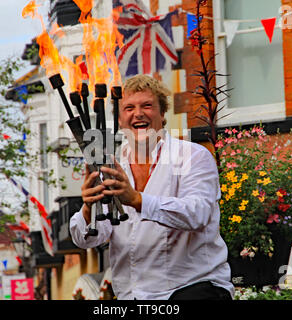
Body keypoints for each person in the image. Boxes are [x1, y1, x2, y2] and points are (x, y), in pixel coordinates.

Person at [70, 74, 234, 300]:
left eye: (147, 105)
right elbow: (86, 238)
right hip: (134, 296)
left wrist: (137, 200)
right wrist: (89, 209)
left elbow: (198, 213)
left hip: (192, 289)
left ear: (163, 113)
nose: (138, 113)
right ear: (119, 119)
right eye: (129, 108)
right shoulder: (111, 166)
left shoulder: (192, 156)